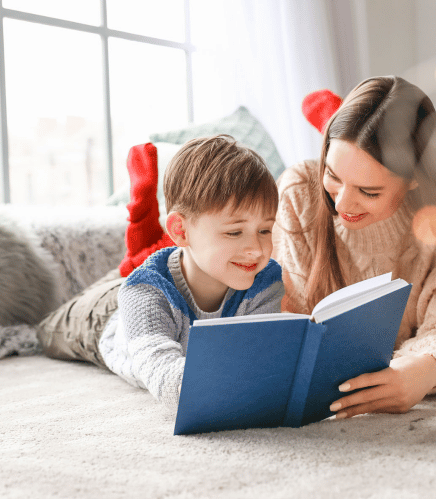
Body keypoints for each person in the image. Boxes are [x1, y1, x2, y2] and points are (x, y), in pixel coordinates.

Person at [274, 76, 436, 420]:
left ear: (415, 177)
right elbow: (290, 319)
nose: (342, 204)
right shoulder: (300, 191)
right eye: (333, 175)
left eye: (369, 191)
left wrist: (426, 369)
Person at [39, 134, 284, 409]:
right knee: (46, 332)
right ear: (181, 230)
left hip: (154, 279)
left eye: (265, 230)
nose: (256, 250)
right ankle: (127, 266)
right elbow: (166, 377)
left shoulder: (265, 281)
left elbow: (263, 356)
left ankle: (129, 266)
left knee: (131, 274)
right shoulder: (145, 293)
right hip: (103, 319)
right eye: (235, 232)